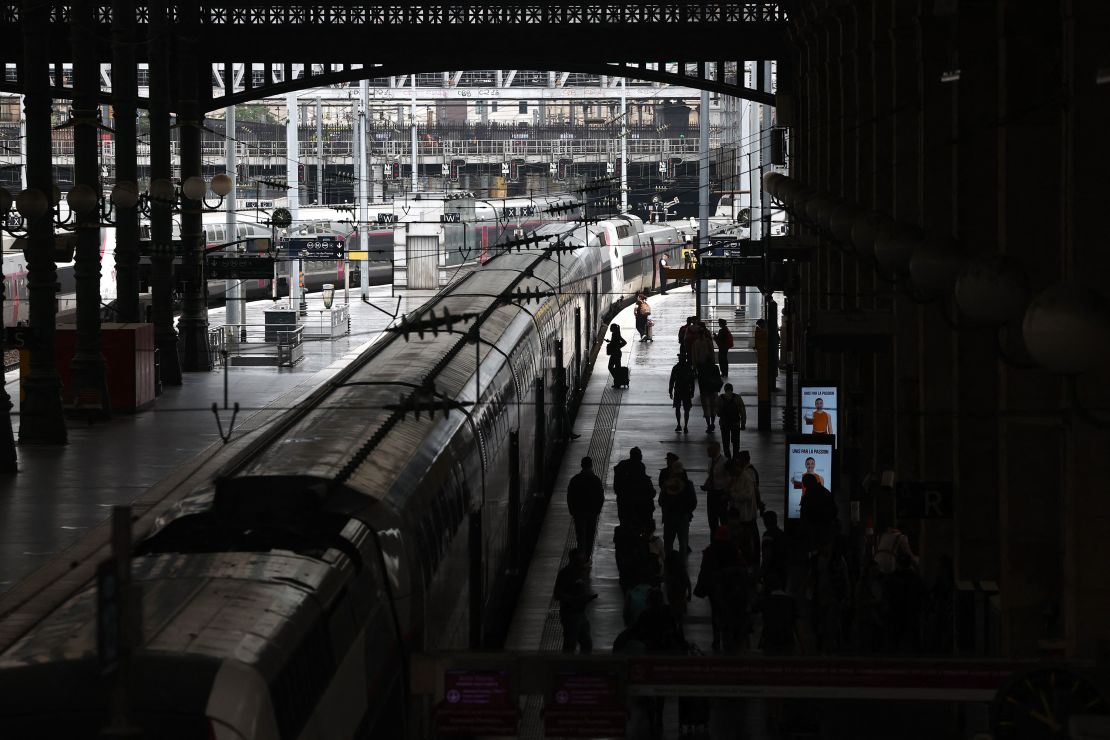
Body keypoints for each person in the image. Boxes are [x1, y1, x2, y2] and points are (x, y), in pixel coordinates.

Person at [554, 548, 598, 653]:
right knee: (570, 644)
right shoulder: (565, 574)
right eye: (581, 560)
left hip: (580, 614)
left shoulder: (580, 572)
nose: (583, 563)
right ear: (574, 560)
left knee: (586, 642)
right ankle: (568, 666)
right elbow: (557, 594)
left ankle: (582, 665)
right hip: (570, 615)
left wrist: (586, 598)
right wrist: (574, 600)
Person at [729, 450, 764, 566]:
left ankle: (751, 560)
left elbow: (751, 493)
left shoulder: (748, 475)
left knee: (749, 537)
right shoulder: (743, 475)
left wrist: (732, 495)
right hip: (745, 513)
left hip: (746, 514)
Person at [658, 456, 697, 556]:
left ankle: (670, 564)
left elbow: (661, 501)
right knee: (682, 543)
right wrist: (686, 511)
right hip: (682, 517)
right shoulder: (688, 484)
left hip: (670, 517)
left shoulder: (667, 484)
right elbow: (693, 502)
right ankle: (681, 565)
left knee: (669, 543)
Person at [567, 456, 604, 555]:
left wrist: (572, 510)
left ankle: (580, 556)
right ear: (591, 466)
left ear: (581, 466)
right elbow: (601, 497)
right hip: (592, 513)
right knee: (590, 535)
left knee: (580, 536)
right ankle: (587, 556)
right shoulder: (596, 480)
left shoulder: (575, 480)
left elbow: (570, 496)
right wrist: (597, 510)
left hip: (579, 513)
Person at [613, 447, 656, 529]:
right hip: (639, 508)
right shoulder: (640, 467)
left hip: (624, 505)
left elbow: (617, 487)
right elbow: (649, 490)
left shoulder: (622, 466)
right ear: (639, 456)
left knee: (625, 528)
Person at [702, 441, 730, 532]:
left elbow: (729, 479)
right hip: (711, 492)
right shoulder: (710, 461)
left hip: (721, 493)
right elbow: (710, 475)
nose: (707, 452)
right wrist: (706, 484)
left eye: (709, 450)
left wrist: (726, 493)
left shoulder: (725, 462)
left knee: (723, 519)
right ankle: (714, 539)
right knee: (712, 520)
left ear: (716, 450)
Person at [716, 383, 746, 458]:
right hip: (735, 423)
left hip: (724, 423)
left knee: (726, 442)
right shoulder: (737, 397)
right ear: (732, 389)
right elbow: (743, 411)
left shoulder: (720, 398)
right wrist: (743, 423)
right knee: (736, 442)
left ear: (725, 389)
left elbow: (718, 412)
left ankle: (728, 459)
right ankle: (735, 458)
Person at [668, 355, 697, 433]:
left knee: (677, 408)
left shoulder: (676, 368)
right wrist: (692, 391)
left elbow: (672, 380)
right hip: (686, 390)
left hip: (678, 390)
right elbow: (692, 381)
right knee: (686, 409)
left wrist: (670, 391)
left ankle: (679, 425)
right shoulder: (689, 368)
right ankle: (685, 426)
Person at [696, 361, 723, 432]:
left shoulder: (701, 368)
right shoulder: (715, 367)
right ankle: (712, 423)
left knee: (706, 409)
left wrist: (701, 391)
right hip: (714, 391)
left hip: (705, 391)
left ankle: (709, 425)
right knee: (713, 408)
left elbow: (700, 380)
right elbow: (719, 379)